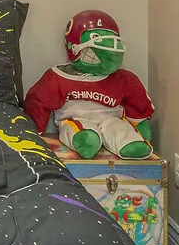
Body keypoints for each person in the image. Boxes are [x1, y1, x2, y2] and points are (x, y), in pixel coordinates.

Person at [22, 9, 154, 159]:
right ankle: (86, 140)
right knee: (80, 132)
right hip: (75, 121)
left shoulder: (124, 79)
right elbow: (38, 102)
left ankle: (130, 144)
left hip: (112, 120)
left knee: (119, 127)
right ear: (74, 47)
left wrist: (140, 128)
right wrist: (34, 131)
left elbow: (137, 106)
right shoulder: (58, 77)